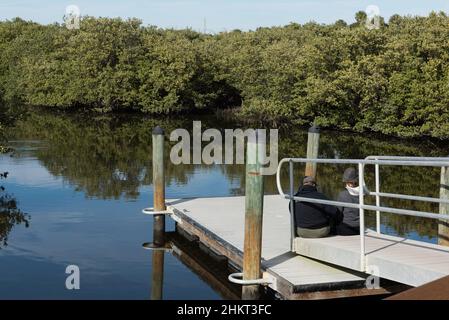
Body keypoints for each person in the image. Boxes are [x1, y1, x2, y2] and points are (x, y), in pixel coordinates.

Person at [336, 167, 366, 236]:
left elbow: (338, 212)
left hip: (346, 229)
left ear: (346, 182)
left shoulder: (342, 194)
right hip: (359, 229)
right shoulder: (362, 193)